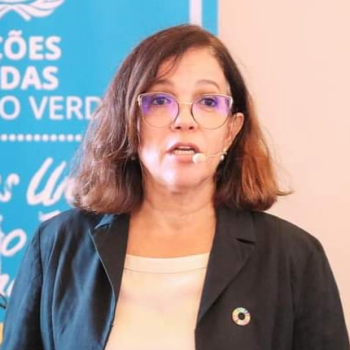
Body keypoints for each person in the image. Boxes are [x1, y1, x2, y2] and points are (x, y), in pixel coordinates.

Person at [1, 24, 349, 350]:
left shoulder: (294, 256)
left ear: (232, 129)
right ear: (130, 123)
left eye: (208, 102)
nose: (184, 120)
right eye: (160, 101)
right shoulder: (57, 246)